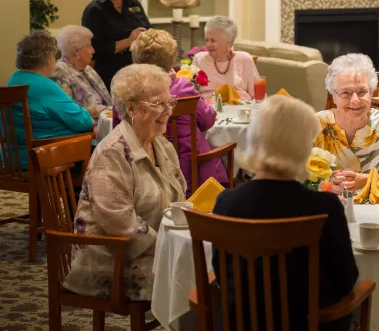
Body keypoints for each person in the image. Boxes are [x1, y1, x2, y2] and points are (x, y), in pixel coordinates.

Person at [212, 95, 359, 331]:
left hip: (239, 330)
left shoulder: (226, 203)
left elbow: (220, 270)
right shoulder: (324, 207)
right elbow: (346, 279)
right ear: (302, 145)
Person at [64, 64, 186, 300]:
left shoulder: (162, 145)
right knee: (196, 278)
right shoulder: (113, 152)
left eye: (170, 102)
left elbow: (180, 196)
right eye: (158, 104)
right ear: (131, 109)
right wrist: (168, 249)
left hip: (152, 250)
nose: (168, 111)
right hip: (111, 259)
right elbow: (119, 221)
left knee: (211, 268)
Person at [129, 29, 228, 194]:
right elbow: (208, 121)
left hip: (148, 174)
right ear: (170, 60)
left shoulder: (130, 94)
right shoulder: (183, 87)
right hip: (192, 171)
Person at [316, 54, 379, 194]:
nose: (355, 100)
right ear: (334, 96)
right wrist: (326, 184)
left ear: (371, 93)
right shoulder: (317, 124)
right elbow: (298, 177)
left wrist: (368, 180)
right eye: (346, 93)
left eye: (362, 92)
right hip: (331, 207)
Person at [7, 31, 94, 170]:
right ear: (49, 59)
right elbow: (84, 122)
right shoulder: (43, 86)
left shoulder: (13, 81)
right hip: (45, 160)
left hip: (13, 160)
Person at [82, 0, 151, 90]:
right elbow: (93, 50)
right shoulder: (94, 10)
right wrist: (128, 41)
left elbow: (148, 29)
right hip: (109, 75)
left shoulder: (133, 3)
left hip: (138, 71)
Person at [50, 25, 113, 120]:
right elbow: (68, 112)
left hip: (104, 120)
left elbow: (108, 101)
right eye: (89, 46)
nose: (93, 51)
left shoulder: (88, 69)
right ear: (76, 51)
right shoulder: (60, 72)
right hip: (87, 127)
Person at [193, 16, 260, 101]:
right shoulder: (199, 59)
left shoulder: (245, 59)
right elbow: (192, 95)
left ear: (229, 44)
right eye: (206, 39)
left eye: (213, 41)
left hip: (239, 109)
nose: (208, 45)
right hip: (209, 110)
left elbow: (257, 96)